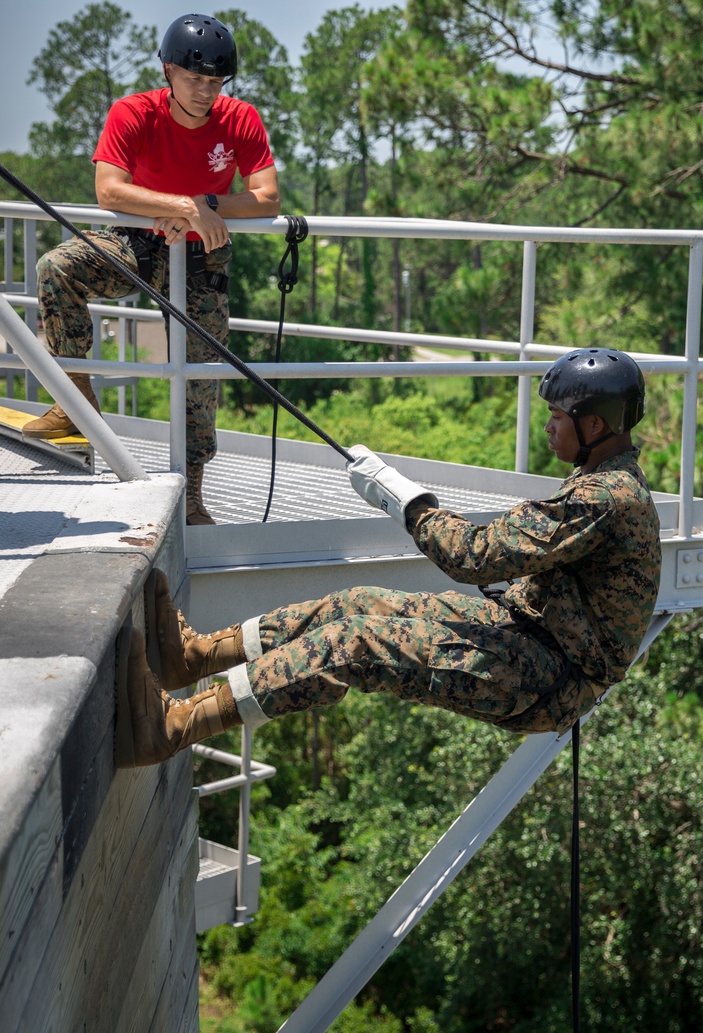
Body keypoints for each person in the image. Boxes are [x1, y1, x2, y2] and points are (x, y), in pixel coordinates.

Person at [115, 348, 663, 768]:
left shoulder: (603, 498)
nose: (548, 425)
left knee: (357, 642)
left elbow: (472, 556)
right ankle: (195, 657)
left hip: (548, 674)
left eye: (557, 416)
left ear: (594, 425)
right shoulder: (605, 480)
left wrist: (406, 501)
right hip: (528, 634)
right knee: (359, 604)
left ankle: (176, 725)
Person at [24, 13, 281, 525]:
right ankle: (76, 399)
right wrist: (185, 206)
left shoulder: (240, 119)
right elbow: (108, 189)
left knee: (199, 374)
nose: (206, 91)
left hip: (204, 254)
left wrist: (206, 202)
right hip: (137, 242)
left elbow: (268, 200)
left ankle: (190, 497)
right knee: (57, 267)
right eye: (195, 79)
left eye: (215, 81)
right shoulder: (133, 112)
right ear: (167, 69)